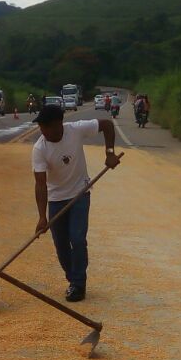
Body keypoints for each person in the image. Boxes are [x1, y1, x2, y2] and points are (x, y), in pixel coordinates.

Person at [31, 102, 121, 303]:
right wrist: (41, 217)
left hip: (80, 193)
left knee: (77, 238)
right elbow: (40, 184)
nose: (42, 130)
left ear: (58, 124)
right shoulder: (40, 148)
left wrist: (110, 153)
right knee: (61, 245)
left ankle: (78, 283)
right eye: (41, 126)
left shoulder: (76, 130)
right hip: (56, 199)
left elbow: (107, 124)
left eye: (46, 126)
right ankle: (73, 279)